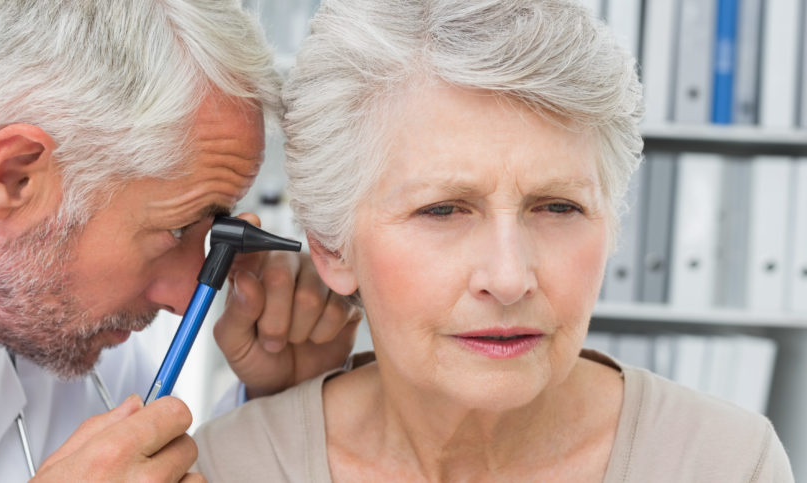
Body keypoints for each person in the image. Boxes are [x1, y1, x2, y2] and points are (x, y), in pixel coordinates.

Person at [193, 0, 795, 481]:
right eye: (443, 210)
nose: (509, 278)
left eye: (559, 206)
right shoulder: (226, 468)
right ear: (329, 245)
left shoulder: (728, 463)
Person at [0, 1, 362, 481]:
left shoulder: (76, 347)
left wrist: (279, 410)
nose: (188, 298)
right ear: (16, 177)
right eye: (178, 230)